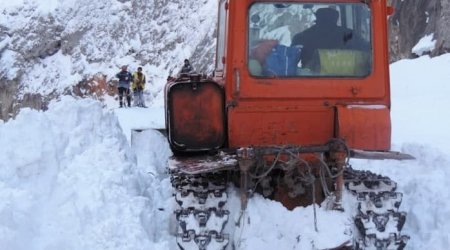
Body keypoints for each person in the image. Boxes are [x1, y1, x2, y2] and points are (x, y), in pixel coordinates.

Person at [291, 7, 369, 71]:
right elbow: (367, 52)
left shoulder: (302, 36)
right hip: (350, 79)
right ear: (335, 19)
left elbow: (290, 60)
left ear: (317, 19)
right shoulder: (349, 35)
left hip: (310, 80)